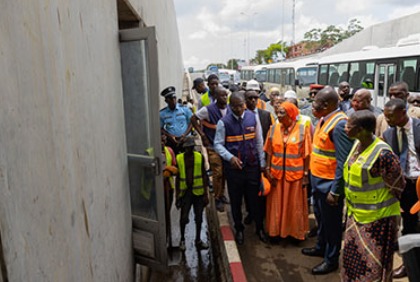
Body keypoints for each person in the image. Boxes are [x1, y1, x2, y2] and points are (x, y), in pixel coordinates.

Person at [341, 110, 404, 281]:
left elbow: (397, 184)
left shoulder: (383, 154)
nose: (345, 128)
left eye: (349, 126)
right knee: (352, 262)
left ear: (361, 129)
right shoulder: (357, 145)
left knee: (373, 267)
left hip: (378, 221)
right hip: (356, 217)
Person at [301, 87, 354, 275]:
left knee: (332, 224)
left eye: (315, 102)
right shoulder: (324, 119)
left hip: (329, 184)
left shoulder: (339, 124)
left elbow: (343, 162)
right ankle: (321, 247)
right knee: (322, 218)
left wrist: (336, 190)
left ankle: (331, 259)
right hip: (318, 179)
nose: (312, 105)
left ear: (327, 105)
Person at [214, 92, 268, 245]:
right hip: (234, 170)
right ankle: (239, 229)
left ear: (244, 104)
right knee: (236, 200)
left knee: (255, 200)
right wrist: (230, 157)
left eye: (240, 106)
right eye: (235, 107)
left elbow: (258, 141)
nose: (238, 109)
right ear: (230, 106)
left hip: (252, 167)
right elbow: (218, 144)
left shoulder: (252, 117)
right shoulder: (223, 123)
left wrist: (262, 163)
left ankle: (259, 228)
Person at [382, 98, 420, 278]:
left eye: (390, 116)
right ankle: (409, 264)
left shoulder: (418, 127)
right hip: (405, 186)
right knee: (408, 225)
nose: (387, 120)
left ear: (403, 112)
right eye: (385, 116)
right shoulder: (389, 134)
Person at [264, 101, 311, 241]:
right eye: (277, 112)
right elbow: (269, 151)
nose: (278, 115)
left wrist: (305, 175)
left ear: (291, 115)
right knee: (276, 207)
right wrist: (267, 169)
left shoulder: (303, 130)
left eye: (282, 113)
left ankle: (294, 234)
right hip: (276, 177)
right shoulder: (273, 129)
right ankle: (275, 233)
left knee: (293, 207)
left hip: (294, 178)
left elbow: (307, 155)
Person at [191, 87, 230, 212]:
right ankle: (217, 198)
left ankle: (221, 193)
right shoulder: (208, 110)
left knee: (223, 172)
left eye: (226, 95)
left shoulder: (229, 109)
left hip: (226, 146)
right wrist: (202, 135)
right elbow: (193, 118)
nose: (225, 98)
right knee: (217, 172)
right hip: (212, 145)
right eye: (222, 96)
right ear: (216, 97)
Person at [243, 89, 275, 225]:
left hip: (264, 158)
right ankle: (250, 213)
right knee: (248, 190)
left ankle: (261, 215)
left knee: (263, 187)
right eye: (250, 98)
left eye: (255, 98)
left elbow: (272, 136)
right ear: (245, 100)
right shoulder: (242, 116)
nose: (253, 101)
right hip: (249, 159)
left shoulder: (266, 115)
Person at [175, 136, 209, 251]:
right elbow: (178, 178)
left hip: (198, 192)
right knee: (184, 218)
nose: (189, 150)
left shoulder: (199, 157)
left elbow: (204, 175)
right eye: (187, 148)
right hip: (185, 192)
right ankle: (182, 240)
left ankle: (198, 240)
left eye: (191, 147)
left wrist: (206, 194)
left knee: (199, 218)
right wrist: (177, 196)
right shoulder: (179, 158)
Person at [160, 86, 193, 155]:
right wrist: (170, 136)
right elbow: (160, 128)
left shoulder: (184, 109)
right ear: (166, 101)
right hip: (172, 142)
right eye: (171, 99)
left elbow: (192, 122)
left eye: (174, 98)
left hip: (186, 140)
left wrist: (184, 135)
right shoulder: (162, 113)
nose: (174, 101)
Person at [161, 134, 178, 247]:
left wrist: (170, 170)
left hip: (168, 187)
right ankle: (161, 239)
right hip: (155, 191)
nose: (162, 141)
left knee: (167, 212)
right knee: (160, 215)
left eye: (163, 139)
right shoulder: (149, 152)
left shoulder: (169, 151)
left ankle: (167, 238)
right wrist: (164, 170)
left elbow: (175, 167)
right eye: (160, 139)